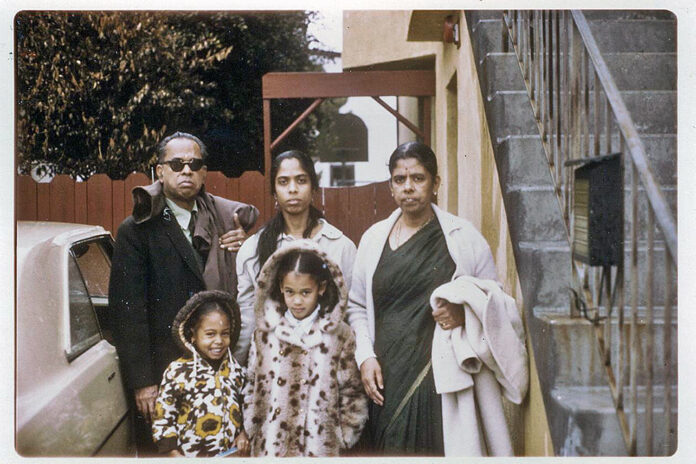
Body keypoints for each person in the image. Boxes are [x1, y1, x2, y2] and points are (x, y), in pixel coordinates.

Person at [346, 141, 528, 456]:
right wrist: (365, 357)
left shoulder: (464, 238)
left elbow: (494, 300)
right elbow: (357, 305)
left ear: (435, 183)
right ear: (390, 186)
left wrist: (465, 313)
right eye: (400, 180)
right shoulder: (373, 239)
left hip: (441, 375)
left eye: (418, 178)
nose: (408, 188)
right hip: (387, 373)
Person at [109, 132, 258, 454]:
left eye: (195, 164)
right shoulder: (136, 230)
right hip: (163, 378)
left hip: (220, 374)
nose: (186, 171)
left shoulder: (224, 224)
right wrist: (143, 383)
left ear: (205, 173)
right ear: (159, 171)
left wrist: (245, 250)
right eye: (176, 164)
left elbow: (248, 288)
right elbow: (128, 313)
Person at [242, 241, 368, 456]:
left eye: (305, 292)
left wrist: (344, 436)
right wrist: (251, 426)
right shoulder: (265, 333)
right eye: (290, 292)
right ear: (280, 286)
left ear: (321, 288)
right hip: (271, 447)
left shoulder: (339, 335)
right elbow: (251, 383)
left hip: (319, 448)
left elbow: (352, 391)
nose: (297, 300)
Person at [235, 150, 356, 364]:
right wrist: (238, 369)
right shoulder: (253, 249)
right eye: (283, 182)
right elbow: (248, 318)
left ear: (313, 188)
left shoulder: (340, 246)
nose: (292, 189)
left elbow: (351, 312)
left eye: (301, 180)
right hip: (273, 371)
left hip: (326, 368)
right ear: (274, 191)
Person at [152, 290, 250, 457]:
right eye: (210, 334)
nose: (218, 341)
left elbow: (245, 408)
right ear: (193, 335)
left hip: (231, 455)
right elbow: (163, 418)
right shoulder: (177, 372)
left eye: (224, 333)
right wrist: (173, 454)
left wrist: (243, 433)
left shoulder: (236, 371)